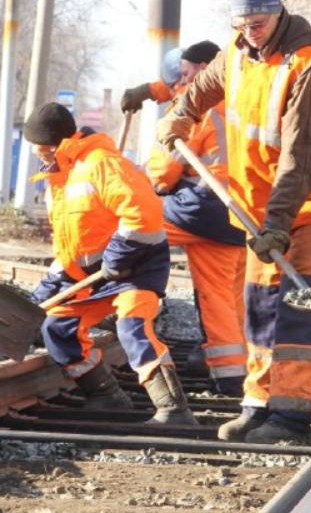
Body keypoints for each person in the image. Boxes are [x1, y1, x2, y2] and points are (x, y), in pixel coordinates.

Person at [156, 0, 311, 443]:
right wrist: (180, 116)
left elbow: (301, 157)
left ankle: (291, 414)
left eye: (260, 21)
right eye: (243, 22)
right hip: (258, 211)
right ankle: (257, 403)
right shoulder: (236, 53)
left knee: (295, 309)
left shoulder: (309, 68)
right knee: (258, 307)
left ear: (279, 12)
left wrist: (277, 223)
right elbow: (203, 86)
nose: (251, 30)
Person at [27, 102, 196, 424]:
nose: (39, 156)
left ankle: (174, 409)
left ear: (55, 143)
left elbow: (144, 214)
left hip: (137, 267)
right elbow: (71, 244)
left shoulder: (101, 164)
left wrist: (118, 257)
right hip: (96, 275)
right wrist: (48, 289)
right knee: (58, 327)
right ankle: (106, 395)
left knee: (133, 325)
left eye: (41, 150)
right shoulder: (59, 178)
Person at [123, 41, 248, 397]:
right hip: (241, 213)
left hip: (202, 207)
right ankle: (231, 375)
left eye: (188, 70)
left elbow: (163, 170)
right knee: (222, 294)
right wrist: (149, 90)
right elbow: (178, 85)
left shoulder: (198, 110)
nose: (183, 76)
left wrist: (147, 182)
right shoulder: (242, 97)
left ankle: (106, 301)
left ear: (206, 68)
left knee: (132, 232)